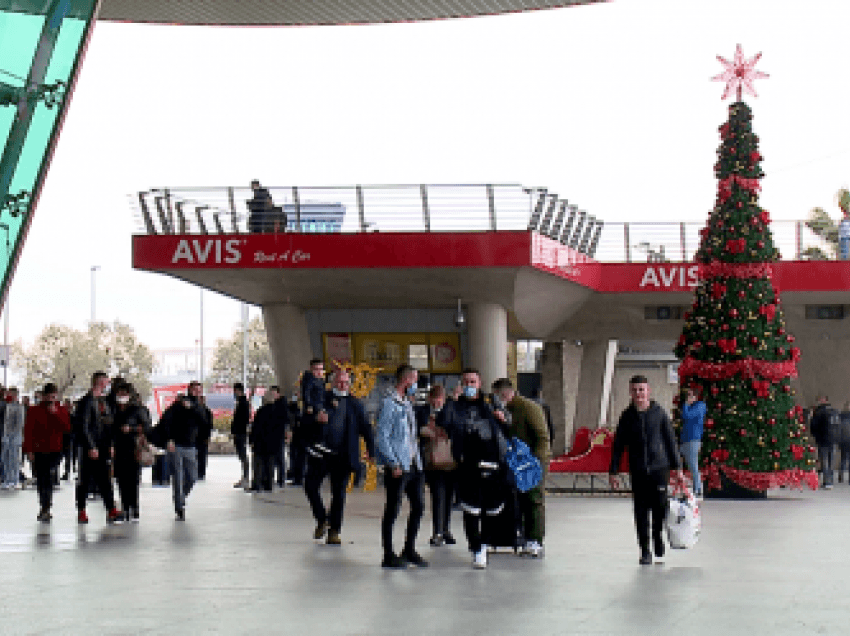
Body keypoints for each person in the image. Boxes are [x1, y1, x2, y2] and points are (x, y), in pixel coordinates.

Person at [439, 368, 508, 569]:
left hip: (493, 462)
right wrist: (452, 400)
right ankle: (476, 548)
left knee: (491, 510)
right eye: (466, 382)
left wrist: (502, 417)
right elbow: (443, 422)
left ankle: (485, 544)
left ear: (480, 383)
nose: (470, 385)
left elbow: (507, 421)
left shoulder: (490, 402)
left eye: (473, 382)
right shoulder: (456, 406)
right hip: (467, 463)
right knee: (471, 509)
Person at [609, 375, 683, 565]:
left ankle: (657, 537)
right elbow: (618, 445)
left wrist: (678, 469)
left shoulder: (660, 414)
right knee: (641, 512)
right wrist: (613, 471)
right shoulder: (627, 416)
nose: (638, 393)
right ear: (630, 392)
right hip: (639, 471)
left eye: (641, 389)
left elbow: (670, 442)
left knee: (659, 510)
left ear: (648, 391)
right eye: (634, 390)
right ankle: (645, 550)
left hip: (660, 469)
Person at [304, 368, 374, 545]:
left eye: (345, 382)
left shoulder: (355, 404)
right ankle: (322, 519)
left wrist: (372, 451)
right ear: (333, 382)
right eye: (339, 382)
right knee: (310, 487)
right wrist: (315, 421)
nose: (342, 385)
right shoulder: (322, 398)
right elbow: (305, 420)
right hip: (320, 454)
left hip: (343, 456)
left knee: (339, 494)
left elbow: (366, 428)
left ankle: (334, 531)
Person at [492, 378, 551, 558]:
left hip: (532, 462)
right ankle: (526, 537)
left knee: (534, 501)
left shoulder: (529, 408)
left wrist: (537, 466)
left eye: (496, 396)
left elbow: (542, 437)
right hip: (517, 463)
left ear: (504, 394)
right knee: (522, 502)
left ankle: (536, 541)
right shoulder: (504, 410)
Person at [376, 364, 428, 568]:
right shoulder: (389, 404)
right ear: (406, 380)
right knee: (393, 509)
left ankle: (409, 549)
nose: (416, 384)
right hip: (398, 466)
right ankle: (388, 554)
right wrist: (392, 462)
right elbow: (382, 436)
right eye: (415, 380)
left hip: (414, 464)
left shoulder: (407, 403)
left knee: (419, 507)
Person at [75, 372, 122, 525]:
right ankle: (81, 510)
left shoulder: (105, 401)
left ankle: (111, 510)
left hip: (103, 447)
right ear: (100, 382)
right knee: (84, 480)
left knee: (105, 480)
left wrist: (111, 445)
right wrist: (91, 446)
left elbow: (109, 425)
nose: (108, 384)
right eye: (106, 381)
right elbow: (83, 426)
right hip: (90, 447)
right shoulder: (86, 401)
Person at [22, 383, 71, 522]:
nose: (51, 399)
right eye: (49, 396)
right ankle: (44, 506)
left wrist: (55, 414)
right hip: (39, 449)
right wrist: (29, 450)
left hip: (55, 450)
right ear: (44, 396)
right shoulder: (34, 410)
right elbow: (28, 431)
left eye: (54, 396)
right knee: (42, 479)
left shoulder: (61, 410)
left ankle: (46, 506)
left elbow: (66, 427)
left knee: (48, 476)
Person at [159, 381, 206, 520]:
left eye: (199, 390)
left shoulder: (199, 406)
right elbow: (166, 422)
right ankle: (179, 506)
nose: (197, 392)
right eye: (195, 389)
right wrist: (169, 440)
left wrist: (193, 408)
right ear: (189, 390)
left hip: (191, 446)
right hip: (176, 446)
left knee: (192, 477)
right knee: (177, 477)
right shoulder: (177, 405)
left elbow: (204, 421)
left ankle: (181, 497)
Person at [416, 385, 456, 547]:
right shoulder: (422, 411)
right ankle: (437, 531)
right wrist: (425, 430)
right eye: (434, 398)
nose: (436, 401)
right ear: (429, 398)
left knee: (449, 497)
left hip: (451, 462)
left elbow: (455, 428)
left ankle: (445, 529)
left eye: (439, 398)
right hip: (432, 462)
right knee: (438, 496)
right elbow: (416, 430)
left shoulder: (450, 410)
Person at [112, 383, 151, 521]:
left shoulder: (137, 409)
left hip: (134, 448)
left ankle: (134, 507)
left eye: (124, 394)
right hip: (118, 448)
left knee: (133, 480)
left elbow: (147, 426)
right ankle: (125, 506)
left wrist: (132, 429)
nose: (121, 396)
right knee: (121, 480)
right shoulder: (114, 409)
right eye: (119, 393)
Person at [249, 387, 289, 492]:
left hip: (261, 443)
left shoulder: (261, 411)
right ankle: (269, 485)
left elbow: (256, 428)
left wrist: (252, 440)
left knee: (259, 464)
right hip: (274, 443)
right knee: (270, 465)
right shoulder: (280, 412)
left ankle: (257, 484)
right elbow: (283, 426)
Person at [680, 388, 706, 497]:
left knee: (693, 465)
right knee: (687, 464)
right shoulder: (693, 406)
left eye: (690, 395)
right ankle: (689, 487)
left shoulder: (700, 406)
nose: (688, 398)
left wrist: (686, 404)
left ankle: (698, 489)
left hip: (693, 439)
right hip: (686, 439)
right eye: (687, 395)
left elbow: (687, 416)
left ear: (696, 396)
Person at [810, 395, 838, 490]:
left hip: (823, 440)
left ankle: (827, 482)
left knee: (825, 461)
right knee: (831, 461)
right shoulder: (834, 412)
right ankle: (831, 480)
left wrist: (816, 436)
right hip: (833, 440)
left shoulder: (818, 412)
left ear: (822, 400)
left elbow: (813, 426)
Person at [302, 359, 328, 460]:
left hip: (320, 407)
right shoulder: (309, 379)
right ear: (311, 369)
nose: (319, 372)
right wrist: (309, 406)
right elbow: (306, 393)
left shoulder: (321, 380)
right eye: (316, 369)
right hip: (314, 409)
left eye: (321, 369)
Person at [1, 387, 25, 490]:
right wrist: (5, 436)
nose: (8, 395)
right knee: (5, 459)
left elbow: (19, 424)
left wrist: (12, 436)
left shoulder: (19, 407)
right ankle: (7, 480)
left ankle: (14, 480)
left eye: (10, 394)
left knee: (14, 460)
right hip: (6, 437)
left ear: (15, 395)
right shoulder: (8, 406)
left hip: (14, 437)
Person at [231, 383, 251, 489]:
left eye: (234, 391)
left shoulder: (243, 403)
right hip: (239, 432)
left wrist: (237, 429)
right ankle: (245, 477)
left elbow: (244, 419)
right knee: (242, 455)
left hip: (240, 432)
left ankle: (246, 477)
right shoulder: (241, 402)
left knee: (243, 455)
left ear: (238, 390)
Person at [195, 394, 213, 481]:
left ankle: (201, 473)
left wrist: (208, 437)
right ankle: (196, 472)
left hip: (203, 437)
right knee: (196, 456)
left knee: (202, 456)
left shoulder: (207, 411)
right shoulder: (195, 410)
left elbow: (209, 425)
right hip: (195, 438)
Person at [838, 402, 850, 484]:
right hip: (845, 440)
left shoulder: (841, 416)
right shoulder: (841, 416)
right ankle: (841, 475)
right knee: (844, 459)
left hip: (843, 440)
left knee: (843, 459)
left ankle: (841, 475)